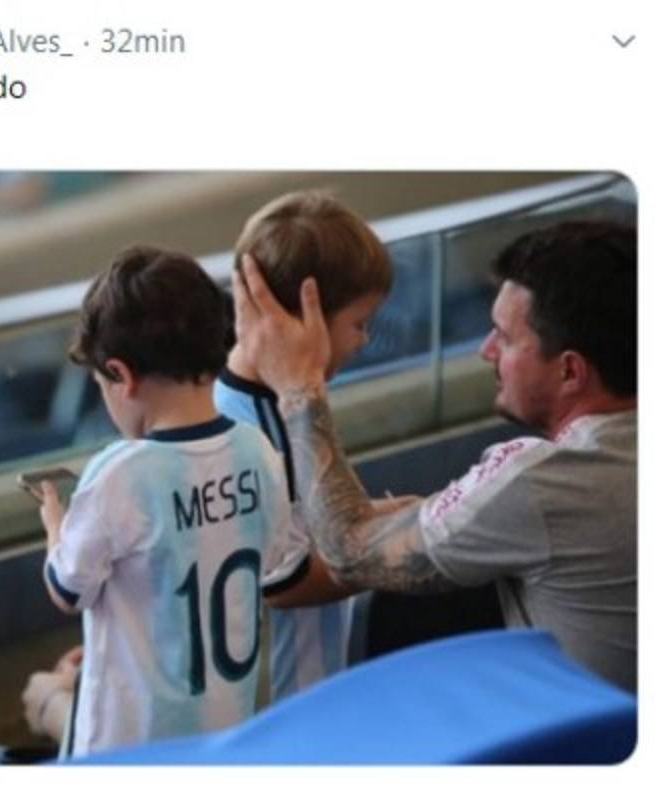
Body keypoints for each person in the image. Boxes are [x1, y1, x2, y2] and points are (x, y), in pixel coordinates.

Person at [230, 220, 636, 692]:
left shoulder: (541, 483)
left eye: (504, 338)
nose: (485, 350)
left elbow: (348, 552)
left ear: (570, 371)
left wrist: (299, 386)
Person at [38, 245, 292, 757]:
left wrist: (55, 529)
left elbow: (68, 590)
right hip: (221, 742)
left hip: (128, 754)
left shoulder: (119, 473)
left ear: (121, 375)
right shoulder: (258, 451)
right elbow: (266, 560)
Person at [213, 191, 410, 702]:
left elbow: (302, 524)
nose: (364, 340)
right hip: (291, 698)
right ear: (306, 315)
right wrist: (406, 541)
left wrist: (388, 514)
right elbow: (287, 583)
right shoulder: (265, 430)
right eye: (359, 324)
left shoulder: (240, 400)